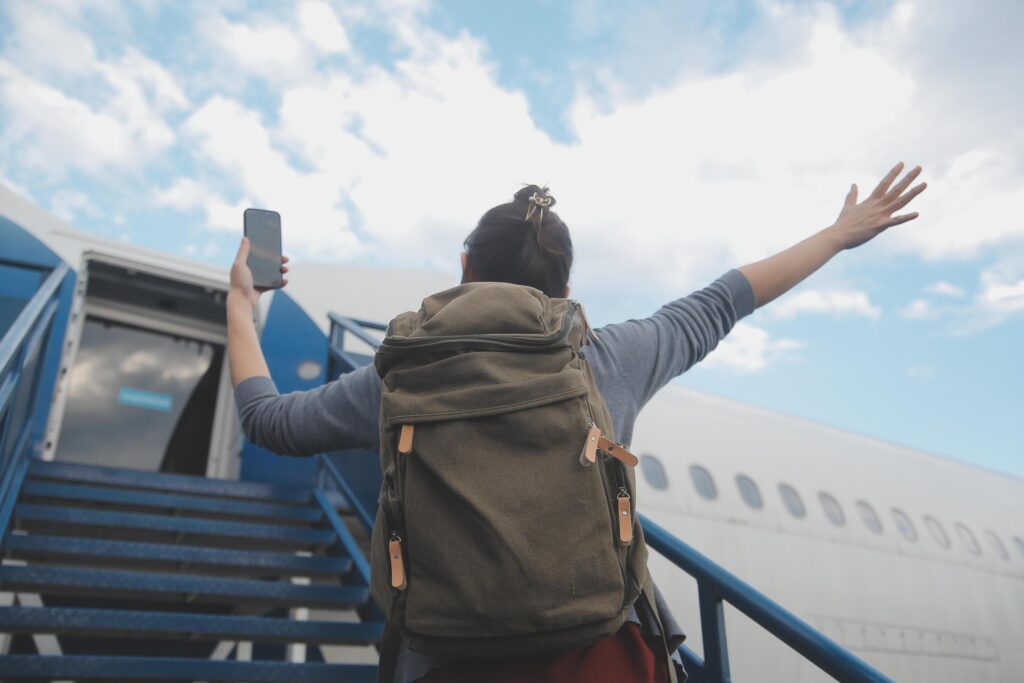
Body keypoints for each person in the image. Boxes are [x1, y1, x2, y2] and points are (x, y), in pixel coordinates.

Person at [226, 162, 926, 682]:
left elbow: (267, 420)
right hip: (595, 658)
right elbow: (726, 300)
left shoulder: (395, 375)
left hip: (445, 664)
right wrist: (837, 235)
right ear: (565, 288)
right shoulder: (609, 358)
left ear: (465, 266)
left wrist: (240, 300)